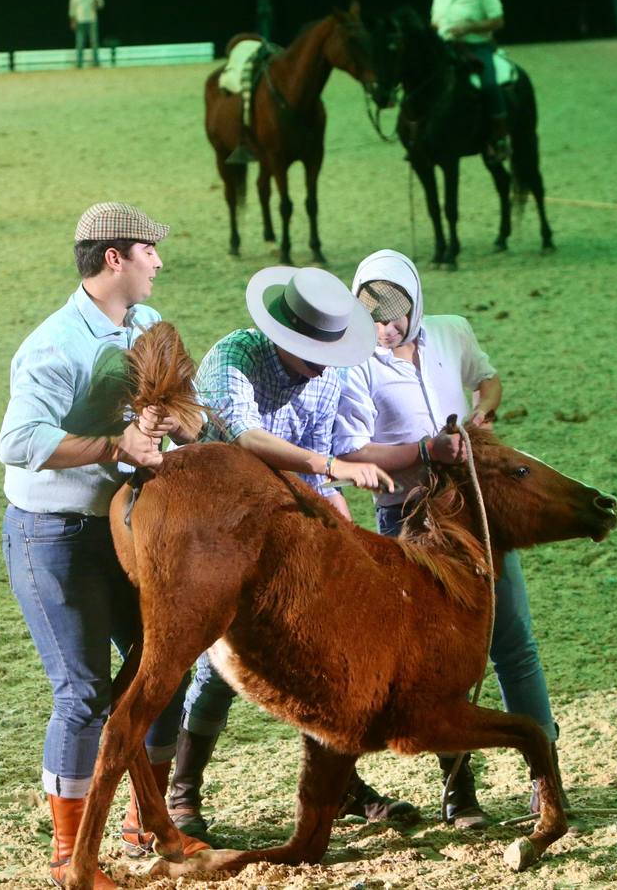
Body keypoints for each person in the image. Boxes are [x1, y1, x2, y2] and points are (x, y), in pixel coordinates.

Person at [0, 202, 207, 889]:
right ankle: (68, 855)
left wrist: (177, 422)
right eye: (149, 251)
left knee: (163, 671)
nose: (159, 262)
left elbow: (180, 408)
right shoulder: (52, 345)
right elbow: (17, 441)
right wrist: (115, 444)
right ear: (114, 258)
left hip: (124, 528)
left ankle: (147, 823)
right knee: (83, 694)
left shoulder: (144, 324)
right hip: (53, 534)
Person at [165, 266, 415, 841]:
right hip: (221, 522)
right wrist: (332, 468)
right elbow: (244, 441)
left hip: (289, 522)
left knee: (323, 654)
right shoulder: (233, 357)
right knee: (219, 661)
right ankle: (183, 792)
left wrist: (340, 522)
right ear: (283, 336)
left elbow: (319, 459)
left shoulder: (329, 372)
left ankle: (340, 786)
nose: (323, 367)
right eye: (312, 357)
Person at [333, 249, 566, 829]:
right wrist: (424, 451)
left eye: (395, 316)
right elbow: (352, 450)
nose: (385, 329)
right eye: (372, 318)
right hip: (407, 518)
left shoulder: (452, 332)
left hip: (475, 510)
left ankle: (547, 779)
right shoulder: (354, 364)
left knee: (513, 640)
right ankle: (459, 790)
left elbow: (488, 379)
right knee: (436, 662)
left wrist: (484, 410)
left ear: (415, 306)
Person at [430, 0, 509, 158]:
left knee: (489, 84)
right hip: (446, 47)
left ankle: (500, 136)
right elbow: (435, 21)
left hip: (477, 47)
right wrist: (440, 28)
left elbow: (498, 21)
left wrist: (470, 27)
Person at [69, 0, 105, 68]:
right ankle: (79, 63)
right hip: (79, 20)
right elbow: (72, 7)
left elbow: (101, 3)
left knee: (94, 41)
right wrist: (72, 20)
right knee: (79, 42)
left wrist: (97, 4)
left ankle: (96, 62)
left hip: (92, 19)